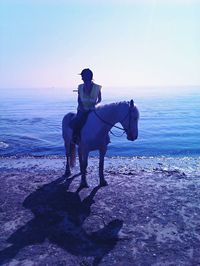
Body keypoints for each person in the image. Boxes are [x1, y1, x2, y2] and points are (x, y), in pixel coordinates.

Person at [70, 68, 102, 143]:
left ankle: (105, 138)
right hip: (82, 109)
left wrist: (94, 106)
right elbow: (79, 99)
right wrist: (82, 107)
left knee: (102, 120)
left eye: (83, 76)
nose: (81, 78)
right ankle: (76, 136)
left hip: (93, 109)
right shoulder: (80, 86)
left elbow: (99, 99)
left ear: (88, 76)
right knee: (78, 120)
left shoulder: (97, 87)